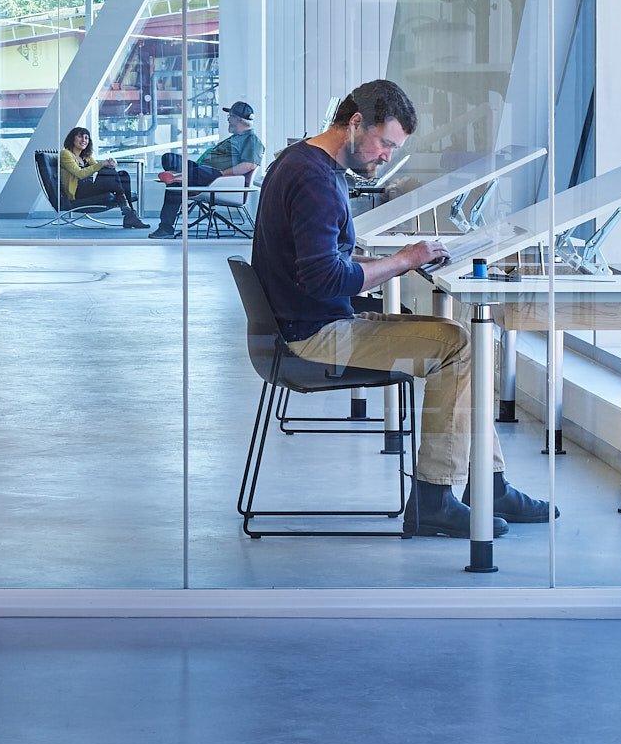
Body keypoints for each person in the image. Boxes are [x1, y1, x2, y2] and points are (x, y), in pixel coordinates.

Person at [251, 79, 553, 540]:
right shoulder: (313, 178)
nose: (386, 156)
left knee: (462, 339)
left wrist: (402, 258)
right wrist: (405, 261)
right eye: (385, 143)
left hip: (306, 320)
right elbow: (325, 279)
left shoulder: (303, 162)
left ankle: (488, 483)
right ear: (356, 124)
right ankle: (435, 499)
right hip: (311, 335)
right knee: (457, 345)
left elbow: (323, 263)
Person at [150, 98, 263, 239]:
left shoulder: (251, 140)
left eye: (230, 117)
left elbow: (249, 165)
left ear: (238, 119)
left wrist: (221, 173)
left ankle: (176, 180)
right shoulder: (235, 138)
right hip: (204, 171)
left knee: (176, 185)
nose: (228, 120)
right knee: (168, 157)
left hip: (217, 177)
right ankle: (179, 175)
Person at [57, 124, 143, 227]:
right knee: (107, 171)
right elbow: (80, 174)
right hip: (78, 193)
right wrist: (103, 164)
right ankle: (130, 214)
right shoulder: (65, 154)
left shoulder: (85, 156)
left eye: (86, 137)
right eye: (80, 136)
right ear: (72, 139)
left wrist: (111, 164)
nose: (83, 140)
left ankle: (129, 213)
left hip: (89, 189)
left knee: (123, 174)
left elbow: (100, 168)